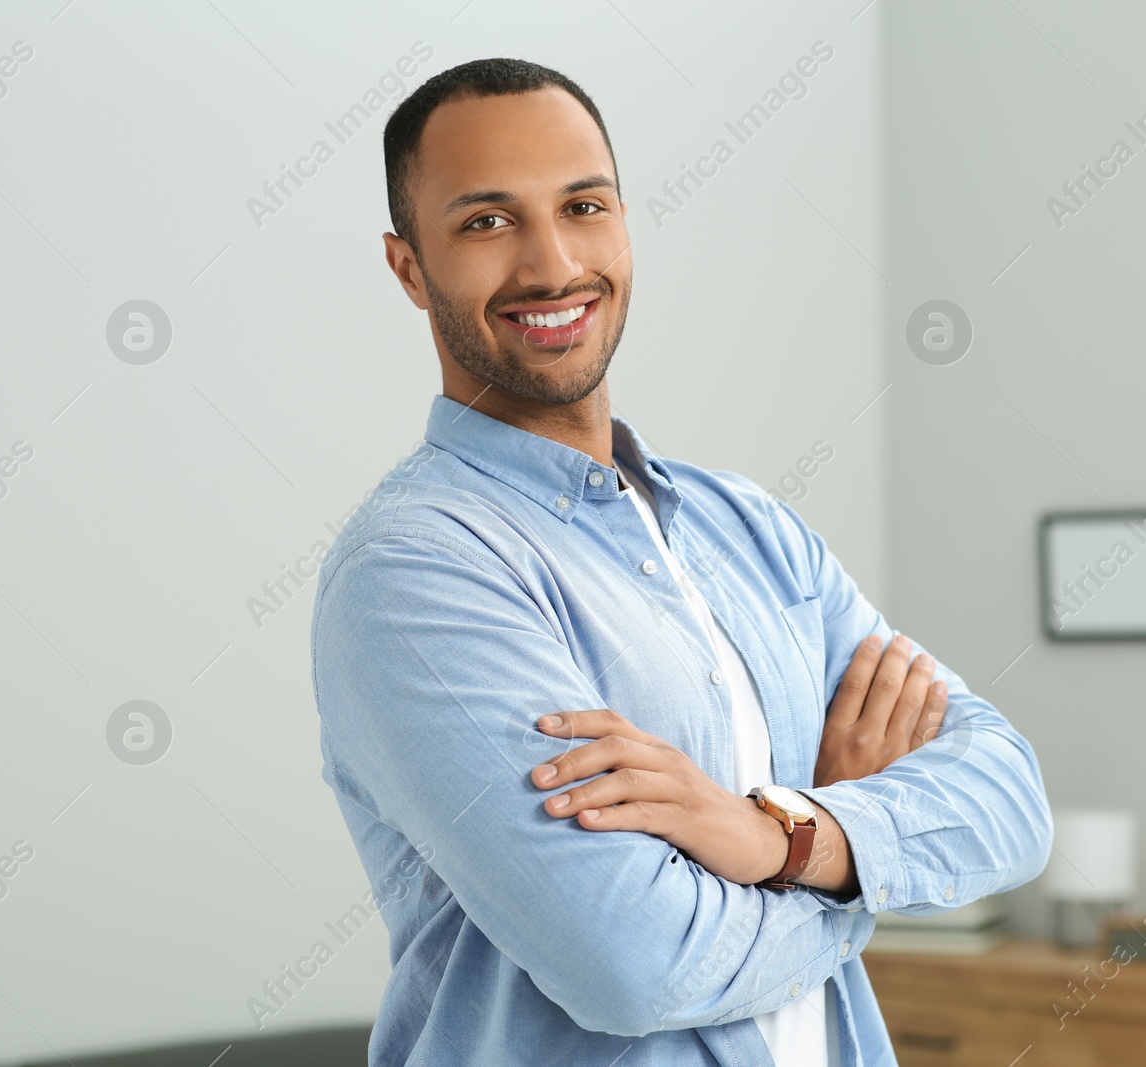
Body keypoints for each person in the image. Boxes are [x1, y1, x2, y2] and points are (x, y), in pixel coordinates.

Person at [310, 56, 1052, 1067]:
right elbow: (637, 963)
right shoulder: (414, 572)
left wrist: (786, 834)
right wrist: (850, 870)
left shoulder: (748, 526)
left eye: (583, 205)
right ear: (409, 267)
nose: (550, 263)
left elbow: (1010, 799)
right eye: (486, 221)